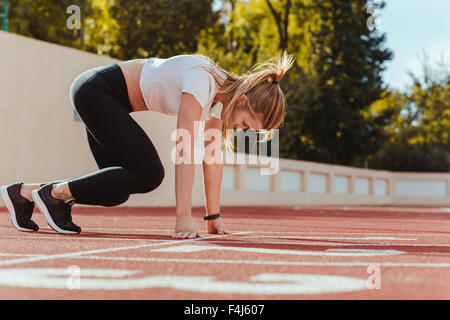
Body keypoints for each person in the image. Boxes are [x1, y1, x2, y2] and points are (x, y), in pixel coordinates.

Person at [0, 51, 295, 238]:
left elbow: (211, 158)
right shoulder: (202, 80)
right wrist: (182, 219)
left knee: (116, 192)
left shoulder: (220, 103)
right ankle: (54, 194)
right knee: (151, 173)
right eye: (244, 123)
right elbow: (185, 151)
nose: (238, 128)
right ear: (242, 100)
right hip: (96, 91)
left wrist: (212, 217)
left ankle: (24, 194)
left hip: (108, 101)